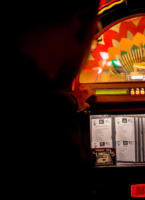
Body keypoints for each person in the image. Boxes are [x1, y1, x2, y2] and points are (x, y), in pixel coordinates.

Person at [3, 0, 100, 199]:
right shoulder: (48, 127)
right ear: (81, 20)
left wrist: (70, 101)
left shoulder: (33, 96)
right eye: (96, 30)